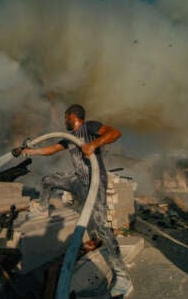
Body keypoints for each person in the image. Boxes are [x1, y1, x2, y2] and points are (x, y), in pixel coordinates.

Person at [22, 104, 131, 297]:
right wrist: (30, 152)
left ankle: (123, 277)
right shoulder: (69, 137)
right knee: (48, 180)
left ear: (72, 116)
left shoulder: (89, 127)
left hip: (95, 183)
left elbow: (115, 133)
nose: (63, 121)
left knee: (101, 228)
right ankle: (42, 208)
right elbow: (50, 150)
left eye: (65, 117)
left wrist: (93, 145)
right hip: (78, 181)